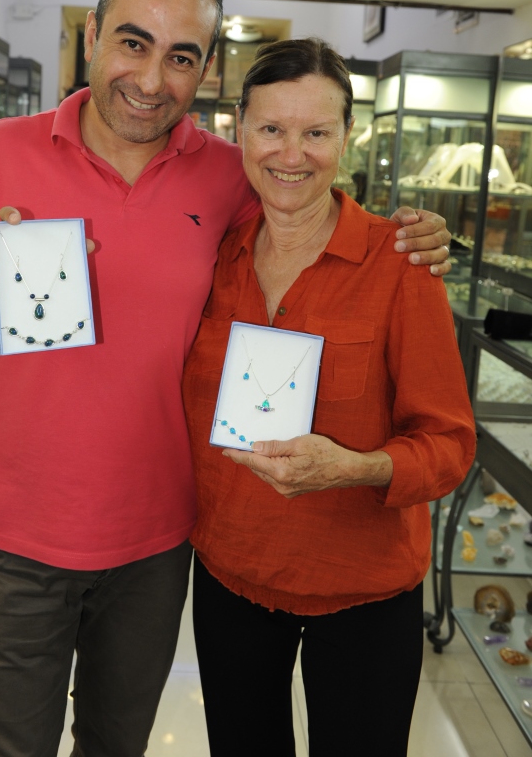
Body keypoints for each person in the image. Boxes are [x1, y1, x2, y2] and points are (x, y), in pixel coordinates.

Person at [0, 0, 452, 757]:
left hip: (159, 540)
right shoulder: (0, 150)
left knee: (116, 744)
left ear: (206, 69)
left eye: (181, 56)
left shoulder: (230, 177)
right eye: (133, 43)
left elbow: (307, 201)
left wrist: (417, 236)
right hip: (18, 531)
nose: (152, 78)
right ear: (92, 35)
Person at [182, 38, 476, 757]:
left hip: (363, 593)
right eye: (270, 129)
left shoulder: (400, 265)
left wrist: (356, 467)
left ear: (346, 136)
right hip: (230, 576)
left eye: (316, 132)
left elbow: (448, 445)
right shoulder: (214, 255)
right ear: (240, 130)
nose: (292, 154)